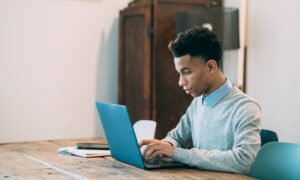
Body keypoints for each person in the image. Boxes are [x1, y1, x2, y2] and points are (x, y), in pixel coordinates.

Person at [139, 27, 261, 175]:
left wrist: (176, 153)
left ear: (211, 67)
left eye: (186, 72)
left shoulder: (246, 108)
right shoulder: (198, 102)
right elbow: (176, 137)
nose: (180, 82)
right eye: (179, 73)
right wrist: (163, 146)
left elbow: (244, 161)